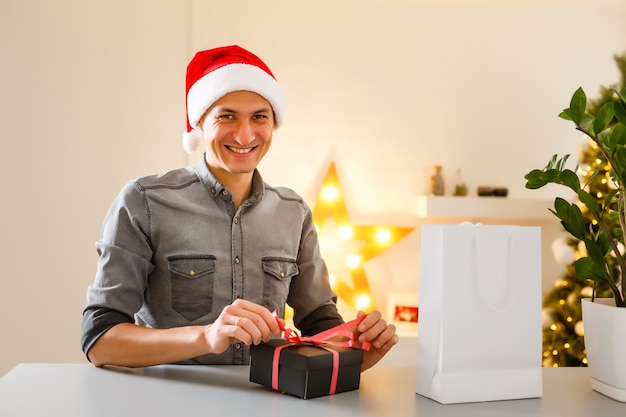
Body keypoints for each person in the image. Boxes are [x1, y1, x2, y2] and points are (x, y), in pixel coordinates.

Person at [81, 45, 398, 372]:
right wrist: (207, 336)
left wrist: (354, 352)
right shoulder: (143, 201)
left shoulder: (294, 213)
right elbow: (100, 340)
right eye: (227, 116)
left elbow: (319, 324)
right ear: (200, 121)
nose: (245, 135)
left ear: (273, 122)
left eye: (259, 116)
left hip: (269, 400)